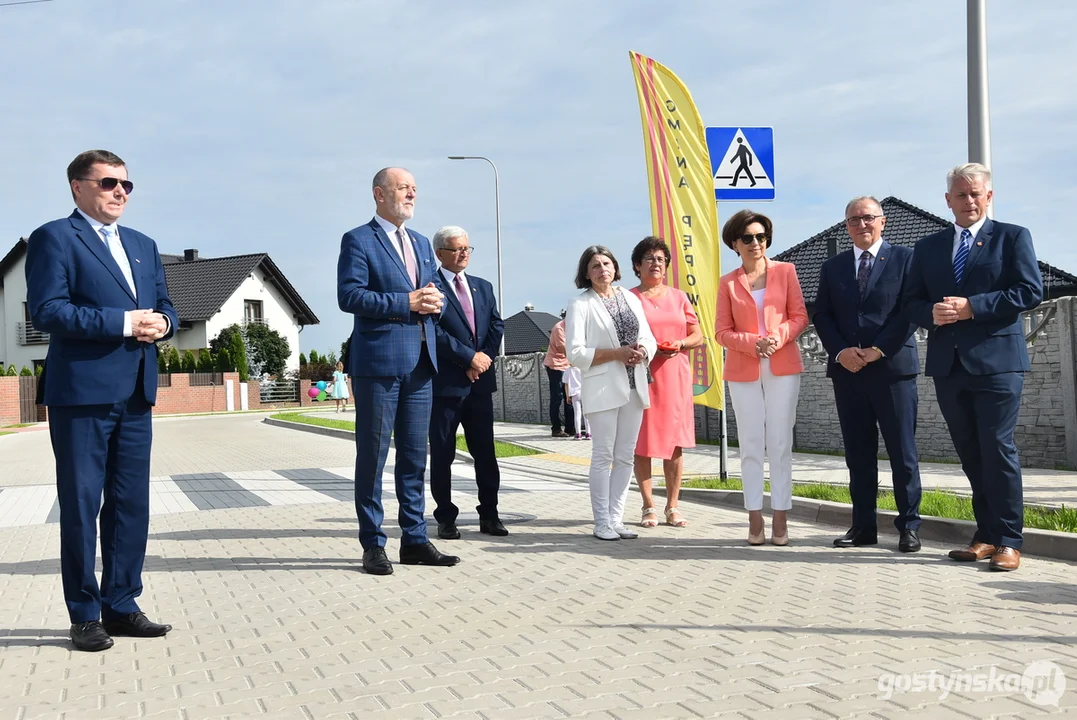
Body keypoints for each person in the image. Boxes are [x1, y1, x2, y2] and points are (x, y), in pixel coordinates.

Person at [25, 150, 178, 652]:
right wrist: (124, 322)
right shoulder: (55, 238)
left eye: (127, 185)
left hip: (136, 391)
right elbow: (48, 311)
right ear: (77, 187)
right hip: (82, 395)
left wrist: (164, 324)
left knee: (131, 504)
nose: (120, 192)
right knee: (82, 504)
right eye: (110, 182)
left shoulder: (143, 244)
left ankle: (122, 604)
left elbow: (168, 305)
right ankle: (84, 613)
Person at [903, 163, 1043, 572]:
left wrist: (973, 307)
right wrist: (931, 312)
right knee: (970, 453)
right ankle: (984, 535)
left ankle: (1009, 541)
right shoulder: (927, 247)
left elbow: (1029, 290)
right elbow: (910, 303)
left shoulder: (1013, 237)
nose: (969, 200)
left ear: (989, 196)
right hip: (949, 365)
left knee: (997, 448)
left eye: (976, 193)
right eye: (961, 195)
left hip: (998, 364)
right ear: (948, 200)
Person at [337, 167, 459, 575]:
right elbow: (350, 296)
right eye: (403, 188)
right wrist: (405, 302)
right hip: (379, 365)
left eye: (414, 189)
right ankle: (373, 543)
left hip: (422, 363)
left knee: (414, 457)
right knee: (372, 458)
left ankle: (415, 539)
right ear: (378, 194)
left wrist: (434, 301)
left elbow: (428, 292)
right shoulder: (358, 240)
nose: (412, 194)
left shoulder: (423, 243)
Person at [813, 196, 923, 553]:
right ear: (847, 227)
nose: (862, 224)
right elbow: (823, 315)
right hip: (848, 372)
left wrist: (878, 350)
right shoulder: (833, 266)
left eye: (868, 218)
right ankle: (863, 527)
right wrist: (842, 351)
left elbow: (910, 311)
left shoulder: (907, 259)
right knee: (858, 455)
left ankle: (909, 527)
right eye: (854, 220)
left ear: (883, 221)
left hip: (892, 370)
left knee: (902, 452)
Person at [715, 210, 808, 546]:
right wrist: (753, 343)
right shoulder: (727, 282)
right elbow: (721, 332)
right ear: (735, 243)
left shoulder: (786, 272)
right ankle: (755, 518)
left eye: (761, 237)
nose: (756, 243)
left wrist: (777, 337)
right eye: (748, 238)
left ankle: (781, 517)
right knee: (751, 444)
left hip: (782, 364)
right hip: (743, 368)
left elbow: (799, 316)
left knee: (780, 443)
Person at [565, 245, 657, 541]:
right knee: (603, 455)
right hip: (603, 385)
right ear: (586, 274)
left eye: (606, 263)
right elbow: (576, 353)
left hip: (635, 382)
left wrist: (643, 349)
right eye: (595, 265)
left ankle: (617, 519)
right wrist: (615, 353)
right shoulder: (581, 304)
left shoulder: (630, 297)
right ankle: (601, 521)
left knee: (626, 456)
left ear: (616, 268)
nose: (602, 268)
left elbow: (647, 336)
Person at [428, 226, 508, 540]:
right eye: (456, 249)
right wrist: (467, 358)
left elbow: (496, 325)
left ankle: (490, 514)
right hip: (446, 386)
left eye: (467, 248)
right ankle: (445, 517)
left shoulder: (483, 287)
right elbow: (433, 331)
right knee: (443, 454)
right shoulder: (430, 287)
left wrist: (483, 358)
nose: (463, 253)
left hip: (480, 385)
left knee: (485, 453)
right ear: (439, 254)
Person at [629, 236, 703, 529]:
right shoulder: (629, 297)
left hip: (674, 375)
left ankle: (673, 505)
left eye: (660, 259)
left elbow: (698, 334)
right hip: (642, 376)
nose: (655, 263)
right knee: (643, 441)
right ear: (637, 265)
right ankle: (648, 505)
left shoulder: (679, 297)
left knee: (674, 443)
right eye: (649, 258)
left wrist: (681, 343)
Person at [543, 313, 575, 438]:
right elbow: (564, 349)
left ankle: (570, 427)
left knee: (570, 396)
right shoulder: (559, 328)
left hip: (568, 365)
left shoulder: (575, 327)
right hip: (555, 366)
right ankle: (556, 429)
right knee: (557, 397)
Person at [562, 365, 591, 439]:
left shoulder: (567, 370)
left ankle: (578, 434)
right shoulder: (583, 368)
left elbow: (566, 384)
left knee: (577, 414)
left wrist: (568, 396)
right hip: (585, 392)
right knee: (586, 413)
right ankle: (588, 433)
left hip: (575, 394)